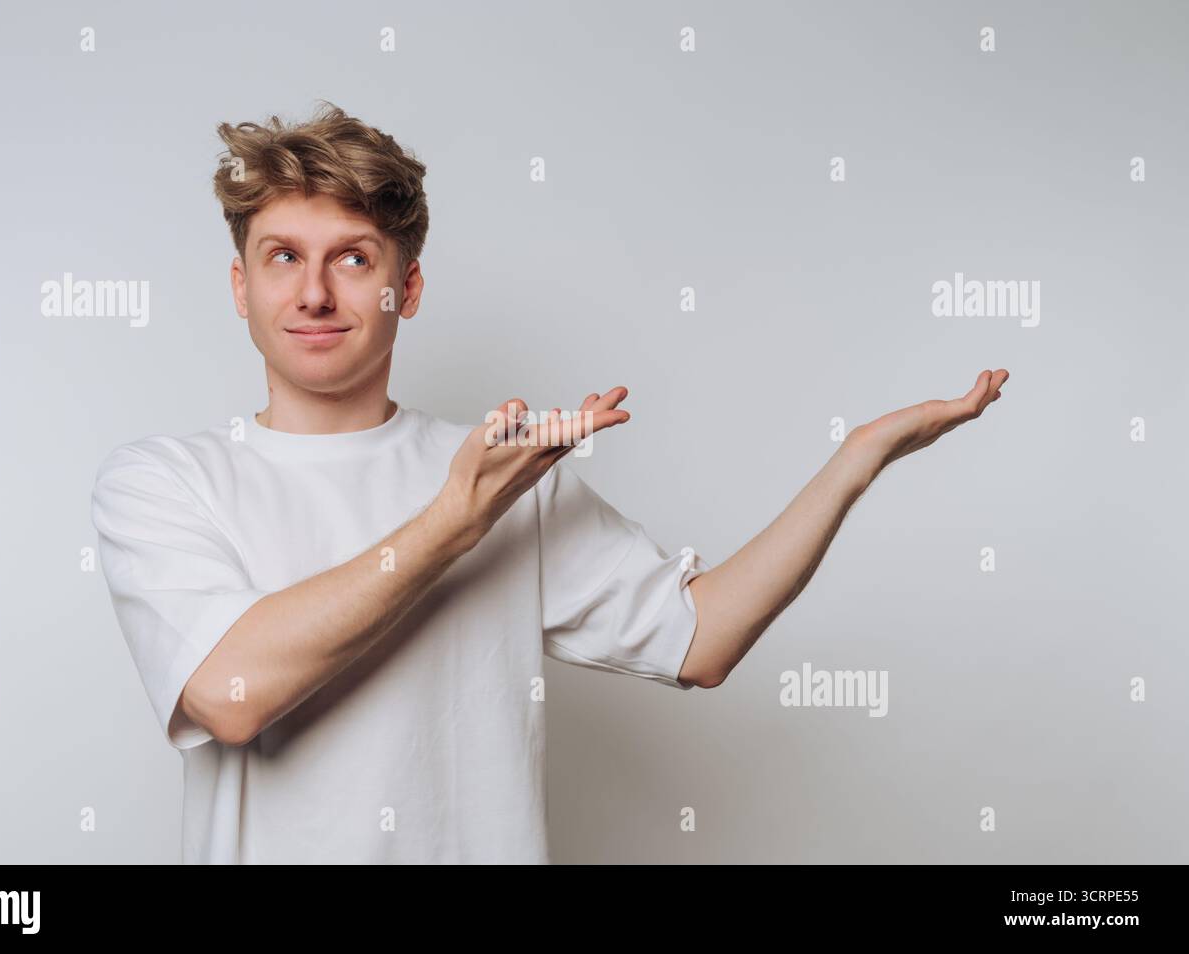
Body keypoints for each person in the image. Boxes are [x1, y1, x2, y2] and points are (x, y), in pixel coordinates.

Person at [90, 101, 1010, 864]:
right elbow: (231, 697)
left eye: (354, 258)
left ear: (405, 289)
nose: (316, 292)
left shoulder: (509, 479)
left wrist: (853, 463)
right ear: (240, 286)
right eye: (283, 256)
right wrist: (455, 522)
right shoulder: (165, 484)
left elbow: (703, 641)